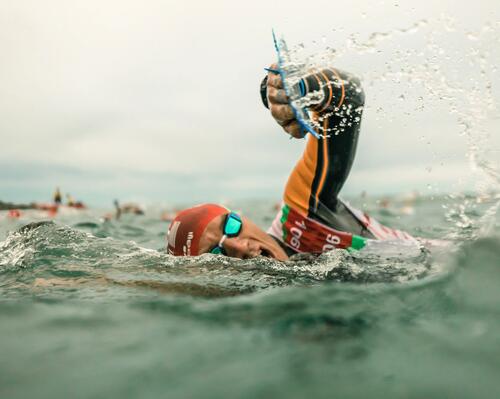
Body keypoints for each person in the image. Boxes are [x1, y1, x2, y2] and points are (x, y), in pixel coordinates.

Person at [167, 64, 416, 261]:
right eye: (215, 254)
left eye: (231, 226)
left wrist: (301, 87)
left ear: (242, 217)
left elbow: (348, 94)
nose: (239, 246)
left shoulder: (303, 214)